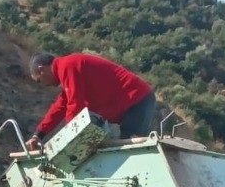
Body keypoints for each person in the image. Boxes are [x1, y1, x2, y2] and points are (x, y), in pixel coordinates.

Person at [26, 52, 158, 148]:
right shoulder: (68, 69)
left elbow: (74, 105)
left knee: (130, 148)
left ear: (41, 70)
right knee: (125, 147)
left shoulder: (68, 66)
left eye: (39, 81)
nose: (43, 84)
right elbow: (61, 106)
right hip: (134, 103)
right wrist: (39, 134)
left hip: (136, 100)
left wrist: (70, 139)